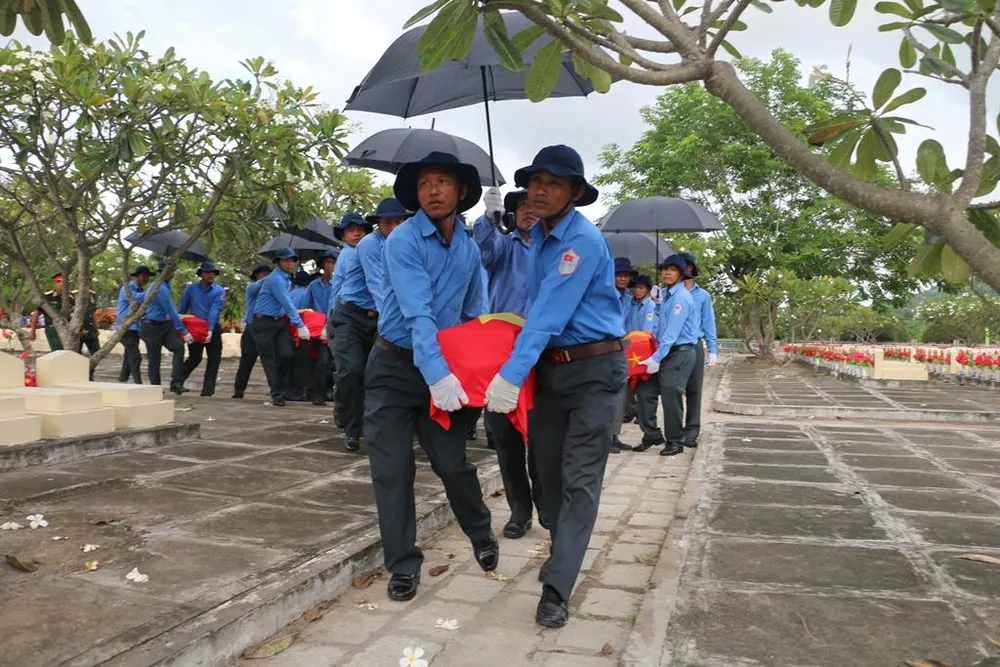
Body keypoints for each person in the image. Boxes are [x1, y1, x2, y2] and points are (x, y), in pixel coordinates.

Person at [483, 145, 625, 628]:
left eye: (554, 183)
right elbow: (532, 311)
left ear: (576, 193)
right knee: (547, 475)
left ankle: (557, 587)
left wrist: (510, 373)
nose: (540, 190)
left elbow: (548, 314)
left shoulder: (578, 242)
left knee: (580, 481)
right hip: (551, 371)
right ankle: (563, 548)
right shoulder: (538, 238)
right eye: (534, 181)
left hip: (595, 372)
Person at [364, 151, 496, 604]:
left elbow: (474, 312)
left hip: (442, 371)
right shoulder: (402, 242)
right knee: (392, 470)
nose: (433, 191)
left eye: (443, 182)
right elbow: (417, 313)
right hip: (395, 369)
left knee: (450, 462)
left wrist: (476, 370)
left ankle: (480, 531)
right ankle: (403, 564)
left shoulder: (468, 246)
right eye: (424, 184)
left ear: (461, 192)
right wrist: (439, 374)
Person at [476, 187, 547, 538]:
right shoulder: (505, 245)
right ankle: (520, 511)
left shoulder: (554, 248)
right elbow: (484, 249)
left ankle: (545, 502)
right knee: (505, 437)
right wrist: (488, 218)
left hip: (544, 349)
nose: (528, 211)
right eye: (521, 207)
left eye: (534, 205)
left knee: (541, 433)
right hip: (501, 350)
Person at [331, 204, 400, 452]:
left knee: (380, 376)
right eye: (386, 223)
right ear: (379, 224)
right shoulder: (369, 245)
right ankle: (352, 429)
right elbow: (377, 284)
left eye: (397, 222)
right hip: (352, 315)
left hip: (379, 318)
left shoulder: (407, 245)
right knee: (352, 371)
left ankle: (377, 426)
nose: (392, 228)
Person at [634, 254, 700, 457]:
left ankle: (674, 440)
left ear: (681, 274)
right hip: (663, 351)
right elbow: (657, 325)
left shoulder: (681, 298)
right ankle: (652, 434)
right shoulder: (665, 295)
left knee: (671, 394)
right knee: (645, 392)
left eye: (672, 270)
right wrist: (658, 303)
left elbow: (672, 333)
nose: (667, 273)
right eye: (664, 270)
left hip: (679, 353)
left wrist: (656, 358)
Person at [328, 212, 372, 426]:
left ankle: (353, 414)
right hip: (345, 315)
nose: (357, 234)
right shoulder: (348, 256)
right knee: (349, 370)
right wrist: (332, 317)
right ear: (344, 235)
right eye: (351, 231)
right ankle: (345, 413)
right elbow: (337, 289)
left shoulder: (371, 251)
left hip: (370, 319)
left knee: (361, 371)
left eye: (360, 230)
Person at [250, 247, 309, 406]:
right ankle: (276, 393)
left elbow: (286, 304)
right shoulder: (275, 278)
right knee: (269, 360)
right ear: (278, 262)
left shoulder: (286, 278)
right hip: (263, 322)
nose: (289, 263)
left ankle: (280, 387)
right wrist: (300, 325)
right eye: (286, 259)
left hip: (278, 321)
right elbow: (287, 302)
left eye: (292, 260)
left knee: (287, 355)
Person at [678, 252, 718, 447]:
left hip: (694, 344)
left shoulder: (702, 296)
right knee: (673, 391)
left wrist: (712, 349)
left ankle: (692, 430)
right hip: (673, 346)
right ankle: (674, 431)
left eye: (684, 266)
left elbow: (709, 322)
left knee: (694, 390)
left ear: (691, 269)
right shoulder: (667, 292)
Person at [139, 260, 193, 392]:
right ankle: (155, 388)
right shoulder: (159, 288)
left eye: (172, 271)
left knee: (178, 348)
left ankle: (175, 383)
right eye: (169, 272)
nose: (172, 274)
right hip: (151, 326)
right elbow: (171, 310)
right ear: (161, 273)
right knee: (154, 358)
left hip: (165, 325)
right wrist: (183, 331)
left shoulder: (166, 286)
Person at [177, 261, 225, 397]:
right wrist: (181, 329)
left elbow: (214, 310)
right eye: (208, 273)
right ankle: (177, 382)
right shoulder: (191, 289)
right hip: (195, 328)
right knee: (194, 357)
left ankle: (207, 391)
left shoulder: (218, 290)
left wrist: (210, 329)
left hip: (213, 328)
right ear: (201, 274)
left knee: (214, 359)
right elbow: (182, 309)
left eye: (213, 273)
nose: (211, 275)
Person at [28, 272, 100, 357]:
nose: (62, 285)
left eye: (65, 283)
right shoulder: (47, 297)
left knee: (70, 353)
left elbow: (76, 314)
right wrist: (33, 330)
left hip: (67, 329)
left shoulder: (70, 297)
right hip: (53, 330)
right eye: (60, 282)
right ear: (56, 283)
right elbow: (36, 313)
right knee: (58, 352)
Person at [233, 263, 271, 399]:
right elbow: (258, 286)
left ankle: (275, 391)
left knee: (269, 362)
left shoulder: (272, 291)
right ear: (256, 276)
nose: (265, 276)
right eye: (262, 274)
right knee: (246, 362)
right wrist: (273, 277)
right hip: (251, 328)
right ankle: (238, 391)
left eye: (267, 273)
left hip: (266, 329)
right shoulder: (252, 287)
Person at [115, 265, 153, 384]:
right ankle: (138, 382)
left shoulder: (141, 290)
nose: (146, 279)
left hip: (135, 328)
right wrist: (153, 290)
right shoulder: (128, 288)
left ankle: (123, 379)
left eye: (148, 277)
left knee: (129, 355)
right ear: (137, 276)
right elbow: (136, 299)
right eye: (144, 276)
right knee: (135, 356)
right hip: (126, 327)